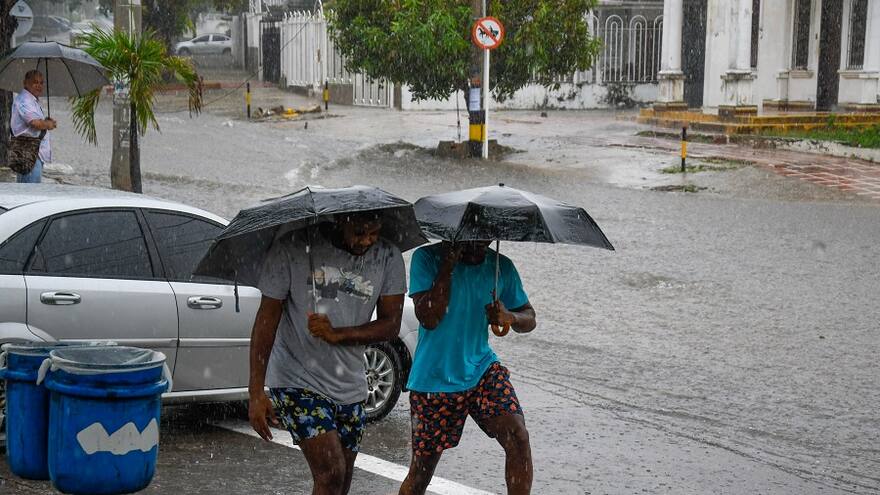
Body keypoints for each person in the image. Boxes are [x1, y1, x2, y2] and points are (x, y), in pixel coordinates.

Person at [248, 212, 406, 495]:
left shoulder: (387, 256)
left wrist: (339, 334)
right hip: (297, 377)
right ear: (339, 220)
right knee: (331, 473)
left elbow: (391, 324)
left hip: (350, 384)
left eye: (373, 232)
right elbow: (265, 320)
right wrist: (256, 392)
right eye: (359, 231)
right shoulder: (292, 248)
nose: (366, 240)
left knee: (341, 482)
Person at [399, 241, 537, 495]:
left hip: (482, 369)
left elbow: (529, 317)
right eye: (471, 239)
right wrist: (448, 266)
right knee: (420, 476)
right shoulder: (427, 257)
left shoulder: (500, 266)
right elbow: (429, 318)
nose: (478, 246)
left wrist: (510, 317)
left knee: (518, 437)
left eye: (485, 239)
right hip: (433, 379)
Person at [11, 70, 56, 183]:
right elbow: (34, 123)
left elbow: (36, 122)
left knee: (27, 191)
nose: (39, 86)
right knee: (31, 193)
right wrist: (47, 124)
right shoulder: (25, 100)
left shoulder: (31, 100)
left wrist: (45, 122)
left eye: (41, 83)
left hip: (32, 153)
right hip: (30, 154)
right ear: (25, 83)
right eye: (35, 82)